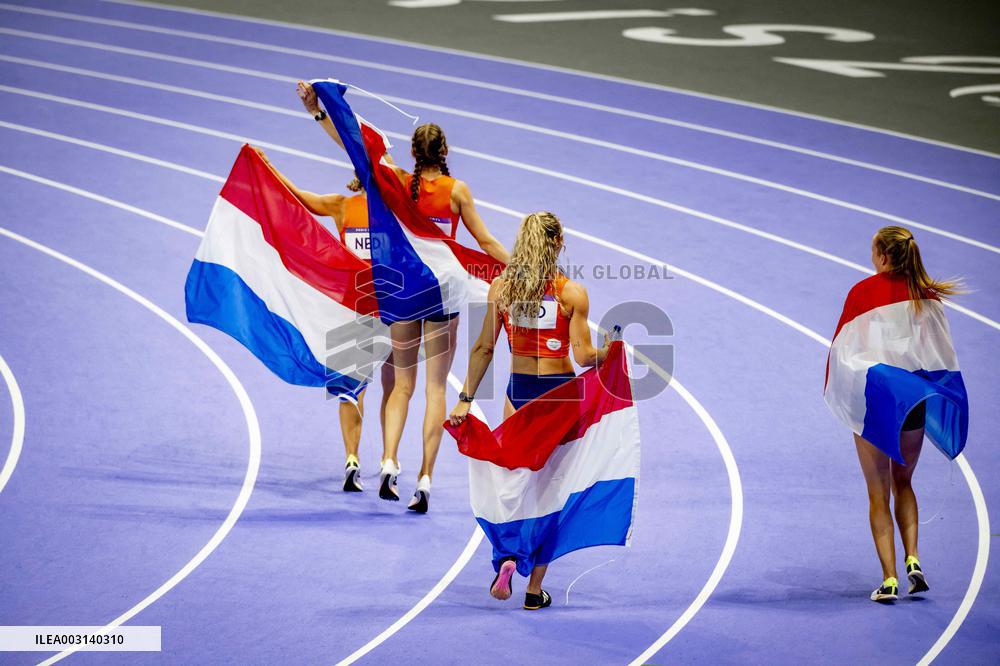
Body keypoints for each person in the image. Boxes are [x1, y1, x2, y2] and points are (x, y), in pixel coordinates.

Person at [297, 81, 510, 513]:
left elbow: (355, 147)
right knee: (436, 390)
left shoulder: (396, 179)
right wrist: (524, 268)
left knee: (400, 386)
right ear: (445, 151)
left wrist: (318, 111)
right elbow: (486, 243)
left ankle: (389, 460)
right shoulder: (456, 191)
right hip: (443, 289)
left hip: (404, 288)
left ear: (413, 154)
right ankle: (425, 479)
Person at [448, 211, 611, 610]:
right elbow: (584, 355)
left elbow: (484, 349)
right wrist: (611, 349)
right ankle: (534, 590)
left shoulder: (501, 289)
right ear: (557, 244)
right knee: (553, 492)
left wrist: (465, 400)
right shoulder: (571, 293)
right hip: (558, 398)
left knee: (518, 479)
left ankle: (506, 557)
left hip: (518, 393)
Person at [253, 147, 394, 493]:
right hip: (387, 305)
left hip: (349, 307)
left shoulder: (341, 206)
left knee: (351, 388)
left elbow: (298, 200)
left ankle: (351, 458)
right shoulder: (392, 213)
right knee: (393, 386)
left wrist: (269, 169)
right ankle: (389, 459)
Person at [845, 226, 962, 603]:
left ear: (881, 256)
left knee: (877, 494)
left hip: (877, 402)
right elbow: (940, 357)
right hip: (912, 404)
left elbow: (845, 354)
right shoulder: (927, 297)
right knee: (904, 484)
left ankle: (890, 579)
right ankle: (914, 559)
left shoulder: (862, 294)